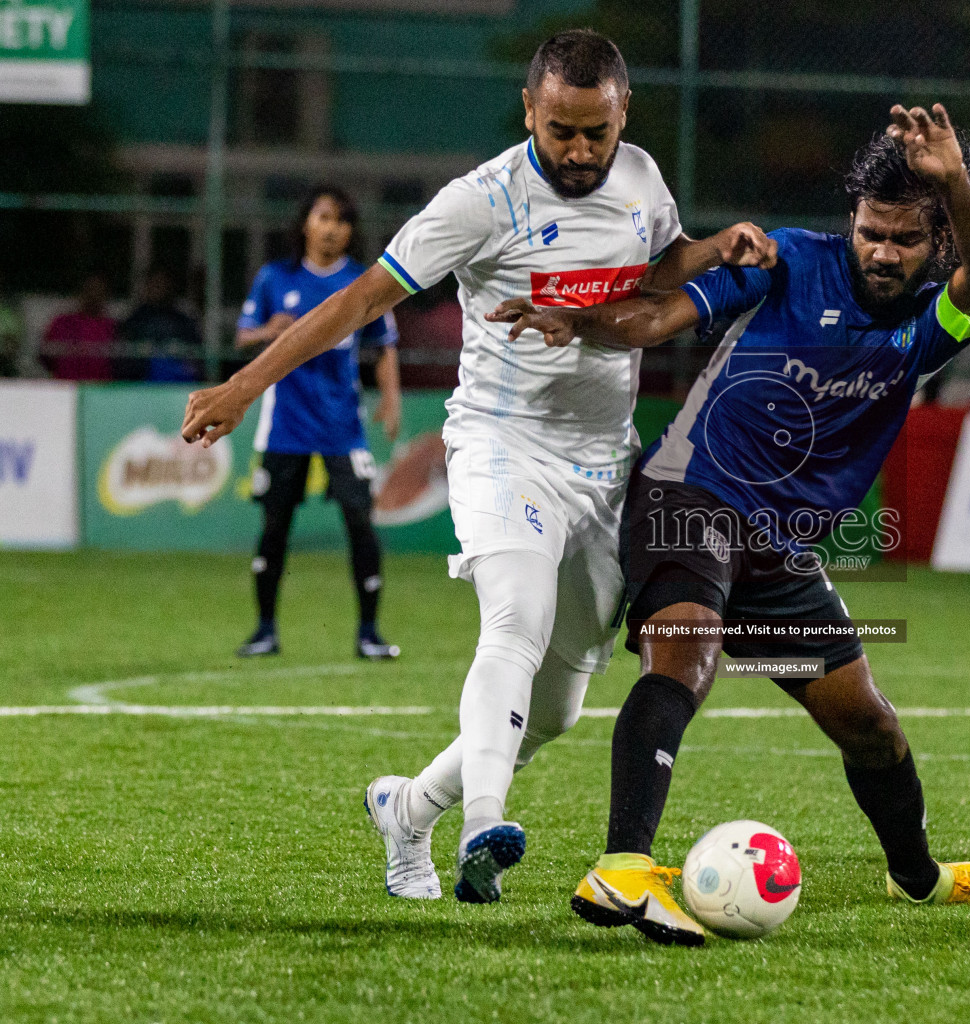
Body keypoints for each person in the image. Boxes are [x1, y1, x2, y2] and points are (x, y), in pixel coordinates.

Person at [180, 29, 775, 904]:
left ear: (622, 117)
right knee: (516, 617)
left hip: (607, 463)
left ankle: (410, 808)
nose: (578, 151)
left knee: (560, 708)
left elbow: (653, 266)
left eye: (595, 133)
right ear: (530, 109)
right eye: (560, 129)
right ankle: (483, 822)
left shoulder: (643, 176)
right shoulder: (480, 201)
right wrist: (243, 382)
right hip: (503, 446)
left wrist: (714, 248)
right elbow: (360, 299)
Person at [497, 104, 970, 947]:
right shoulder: (789, 261)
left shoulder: (929, 326)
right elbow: (657, 316)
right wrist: (580, 321)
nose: (882, 252)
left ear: (935, 243)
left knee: (868, 723)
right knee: (686, 651)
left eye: (904, 239)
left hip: (778, 554)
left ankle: (921, 879)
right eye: (870, 232)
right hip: (691, 499)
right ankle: (623, 870)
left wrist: (957, 183)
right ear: (851, 225)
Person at [232, 185, 403, 660]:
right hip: (285, 422)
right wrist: (271, 331)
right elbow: (243, 336)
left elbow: (383, 344)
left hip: (342, 423)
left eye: (342, 220)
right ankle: (264, 630)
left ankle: (369, 633)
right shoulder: (274, 278)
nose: (332, 228)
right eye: (323, 217)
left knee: (361, 525)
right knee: (274, 526)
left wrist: (391, 399)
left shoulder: (362, 281)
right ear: (305, 222)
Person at [119, 266, 202, 382]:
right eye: (155, 283)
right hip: (141, 383)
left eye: (162, 284)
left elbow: (195, 355)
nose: (158, 288)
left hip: (176, 384)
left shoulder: (181, 320)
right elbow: (124, 355)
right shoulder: (136, 319)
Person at [42, 274, 116, 381]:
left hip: (101, 390)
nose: (94, 295)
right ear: (82, 292)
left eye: (99, 291)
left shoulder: (113, 327)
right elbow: (45, 356)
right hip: (65, 388)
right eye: (90, 289)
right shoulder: (62, 322)